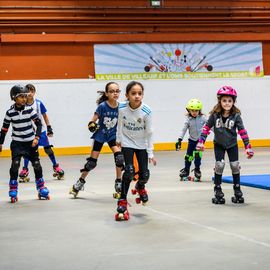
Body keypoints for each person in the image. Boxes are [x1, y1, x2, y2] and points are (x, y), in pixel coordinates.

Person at [196, 86, 254, 204]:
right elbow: (206, 128)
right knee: (219, 165)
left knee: (235, 165)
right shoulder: (214, 115)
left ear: (233, 102)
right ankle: (217, 190)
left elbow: (242, 131)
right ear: (220, 101)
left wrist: (248, 146)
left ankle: (237, 189)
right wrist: (201, 142)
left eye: (229, 101)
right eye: (224, 100)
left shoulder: (236, 116)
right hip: (219, 145)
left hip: (232, 144)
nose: (227, 103)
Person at [69, 82, 124, 198]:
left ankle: (119, 183)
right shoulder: (102, 106)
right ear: (107, 93)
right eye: (112, 91)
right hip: (100, 135)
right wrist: (92, 125)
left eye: (117, 91)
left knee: (119, 158)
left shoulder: (121, 107)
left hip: (113, 136)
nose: (115, 93)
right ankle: (79, 183)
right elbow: (92, 121)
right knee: (91, 163)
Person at [0, 85, 50, 202]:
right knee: (15, 166)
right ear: (14, 98)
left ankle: (41, 187)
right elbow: (4, 129)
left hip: (30, 143)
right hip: (17, 144)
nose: (24, 99)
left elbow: (38, 124)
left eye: (24, 96)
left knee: (37, 165)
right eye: (21, 97)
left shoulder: (30, 110)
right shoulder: (10, 113)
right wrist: (0, 143)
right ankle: (13, 189)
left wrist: (36, 138)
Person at [115, 81, 157, 221]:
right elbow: (119, 124)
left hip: (142, 143)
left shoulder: (147, 111)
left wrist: (150, 152)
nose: (137, 96)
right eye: (133, 93)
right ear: (127, 95)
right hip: (127, 142)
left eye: (140, 93)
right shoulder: (121, 107)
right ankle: (122, 200)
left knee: (144, 174)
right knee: (129, 171)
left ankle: (140, 186)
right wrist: (118, 139)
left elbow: (150, 132)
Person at [18, 84, 64, 182]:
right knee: (28, 152)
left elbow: (45, 116)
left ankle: (56, 166)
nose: (30, 93)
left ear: (34, 92)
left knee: (48, 149)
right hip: (29, 132)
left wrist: (49, 127)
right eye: (28, 91)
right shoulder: (23, 105)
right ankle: (25, 169)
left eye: (32, 91)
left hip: (41, 131)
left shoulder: (39, 103)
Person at [175, 98, 206, 181]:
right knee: (188, 156)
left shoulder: (203, 118)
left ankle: (197, 170)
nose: (194, 112)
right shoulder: (188, 119)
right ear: (189, 110)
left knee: (197, 156)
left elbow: (209, 126)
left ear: (199, 110)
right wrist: (179, 139)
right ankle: (186, 170)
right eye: (192, 110)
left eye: (196, 110)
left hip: (200, 141)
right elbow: (183, 129)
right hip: (192, 140)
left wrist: (218, 132)